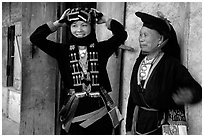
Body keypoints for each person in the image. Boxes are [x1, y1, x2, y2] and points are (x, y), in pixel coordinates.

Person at [30, 7, 127, 135]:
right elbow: (36, 38)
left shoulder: (101, 49)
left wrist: (105, 20)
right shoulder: (62, 51)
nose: (79, 30)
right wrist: (58, 23)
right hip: (74, 108)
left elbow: (121, 35)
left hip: (99, 106)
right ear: (69, 28)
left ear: (91, 26)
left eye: (84, 25)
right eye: (74, 25)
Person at [126, 11, 202, 135]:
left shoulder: (171, 64)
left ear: (160, 39)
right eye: (140, 35)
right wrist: (129, 128)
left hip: (162, 126)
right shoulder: (139, 62)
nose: (141, 39)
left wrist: (188, 95)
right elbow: (132, 98)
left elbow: (196, 90)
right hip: (139, 126)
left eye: (145, 35)